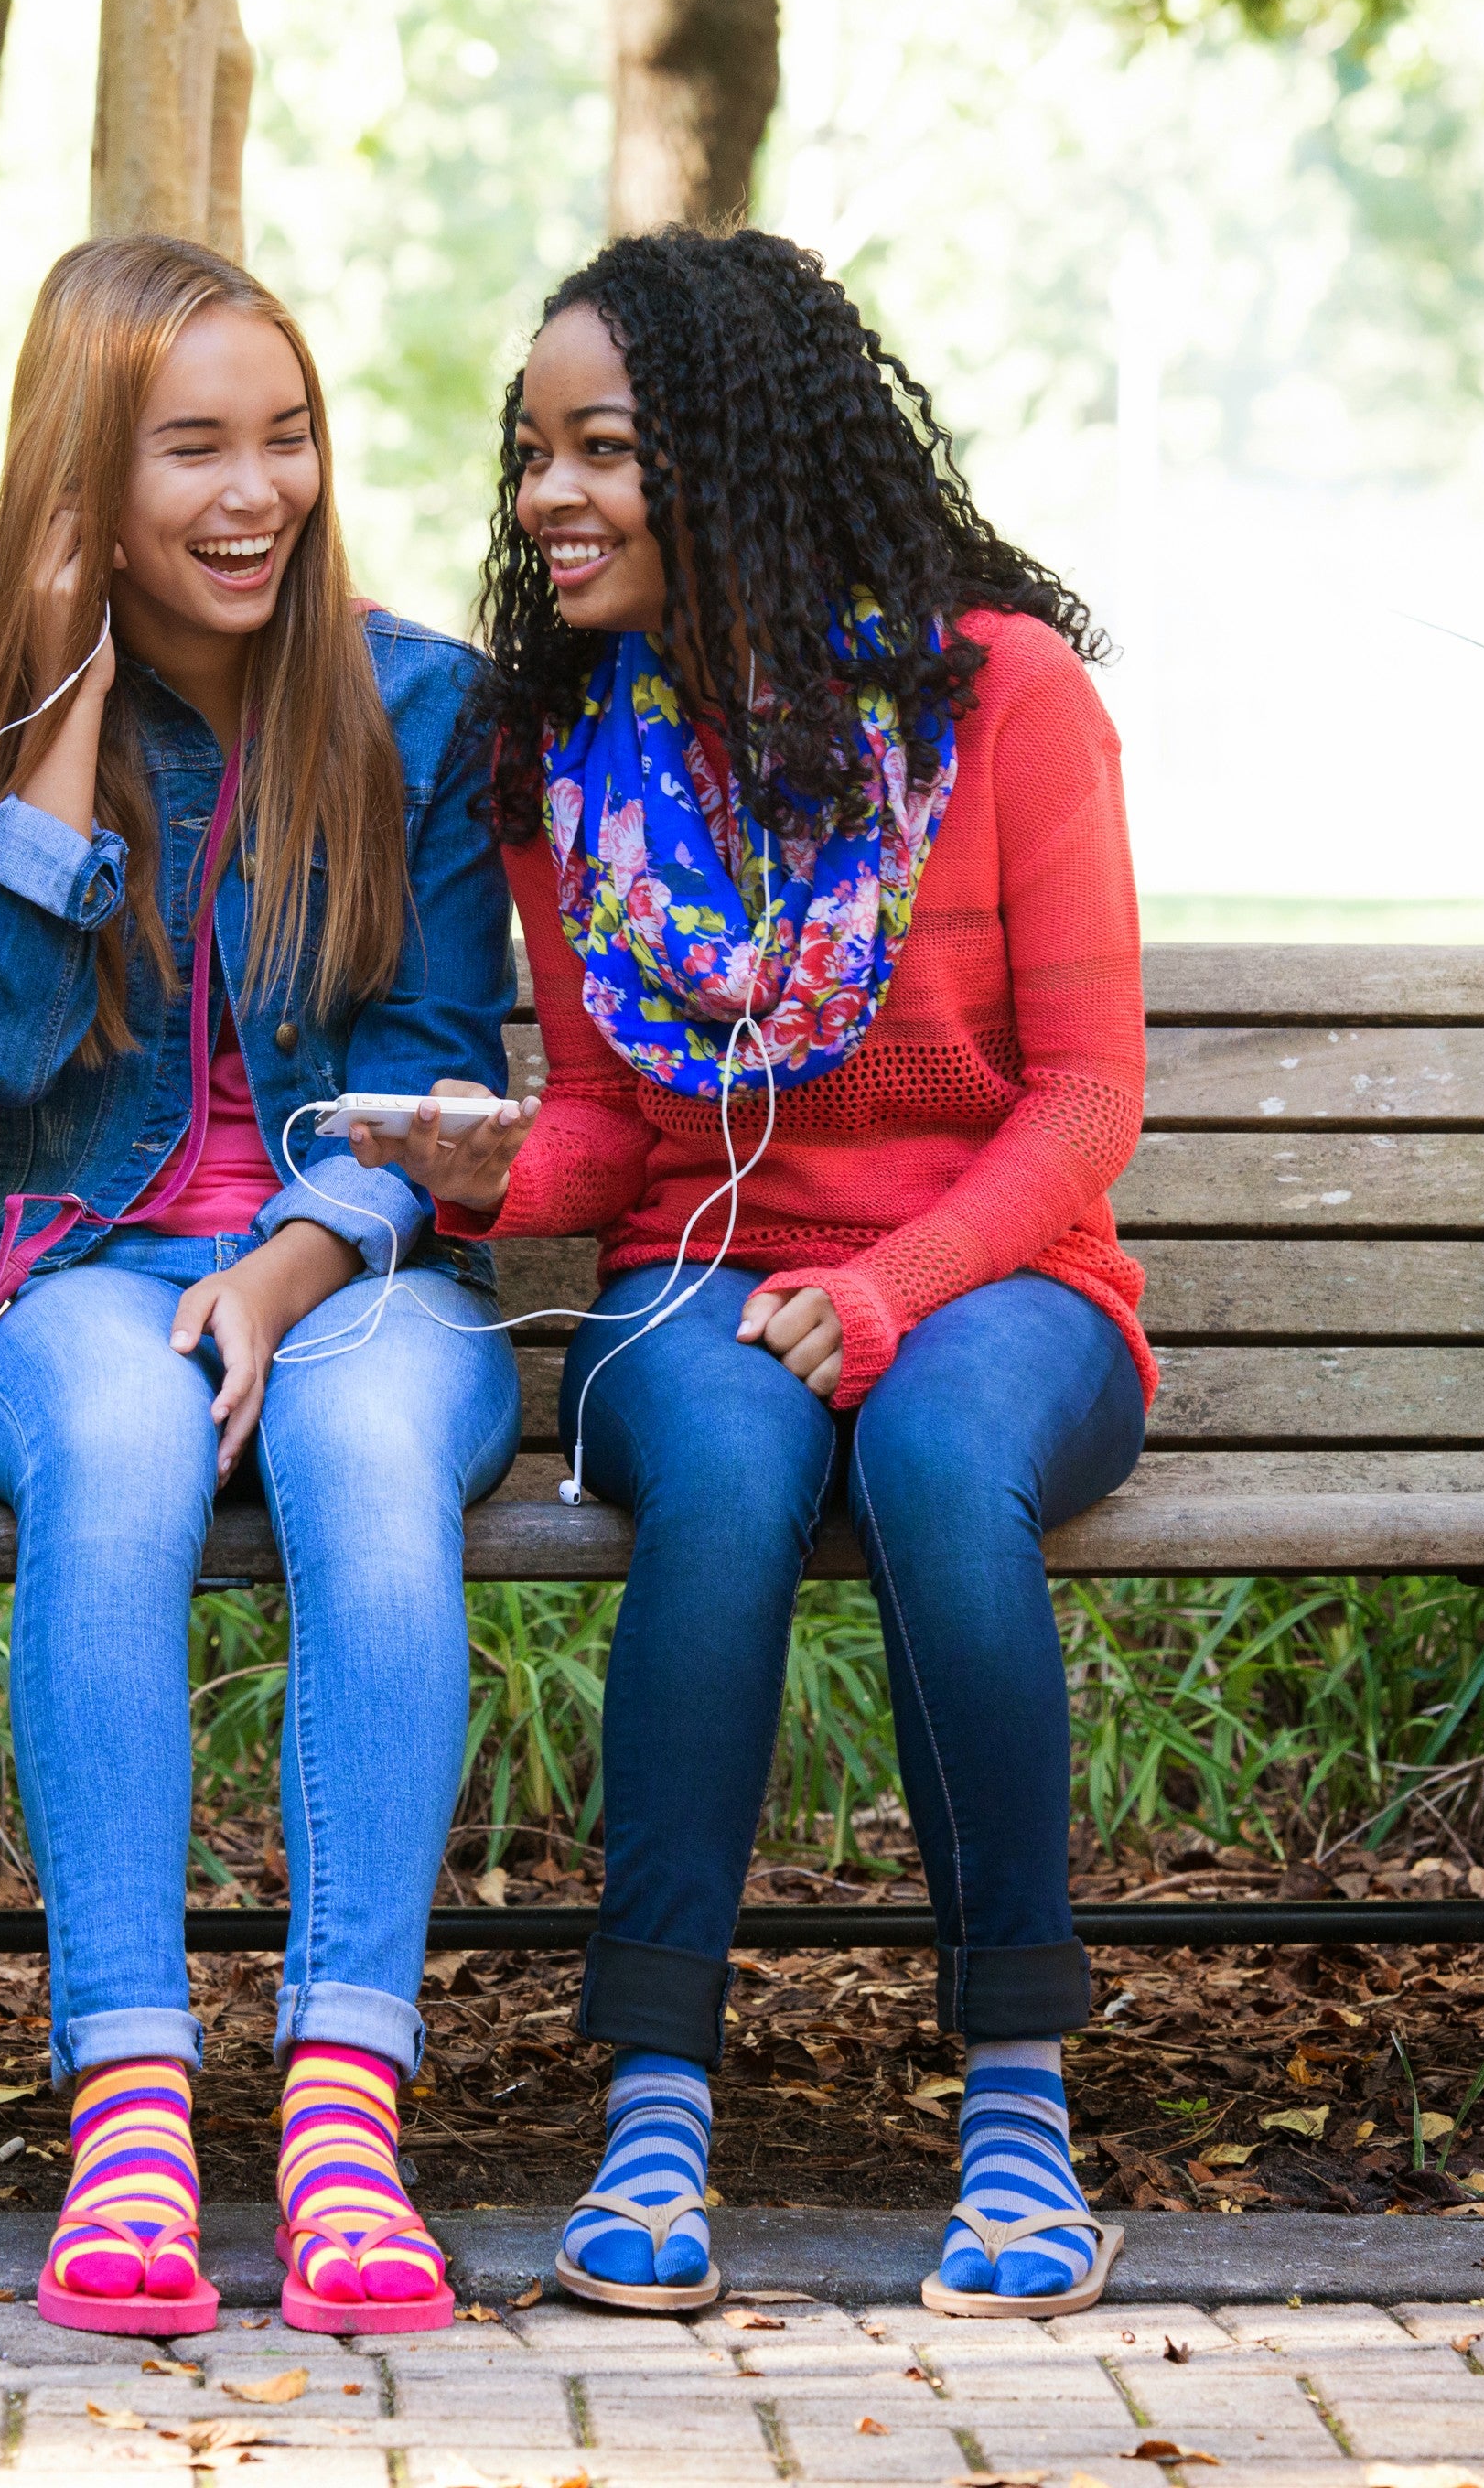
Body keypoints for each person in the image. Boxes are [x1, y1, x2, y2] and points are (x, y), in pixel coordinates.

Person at [374, 227, 1153, 2319]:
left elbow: (1082, 1101)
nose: (548, 496)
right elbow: (623, 1133)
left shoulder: (1004, 698)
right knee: (719, 1466)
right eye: (532, 451)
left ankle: (1013, 2102)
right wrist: (477, 1166)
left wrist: (893, 1288)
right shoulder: (571, 757)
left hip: (1004, 1281)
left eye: (603, 448)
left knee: (929, 1458)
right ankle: (651, 2105)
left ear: (732, 450)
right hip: (696, 1272)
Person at [0, 233, 519, 2339]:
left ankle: (344, 2107)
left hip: (351, 1260)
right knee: (129, 1435)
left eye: (288, 436)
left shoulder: (414, 702)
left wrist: (291, 1261)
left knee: (364, 1434)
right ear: (84, 479)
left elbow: (447, 1074)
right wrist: (55, 702)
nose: (259, 493)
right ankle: (133, 2097)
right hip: (60, 1260)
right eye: (192, 451)